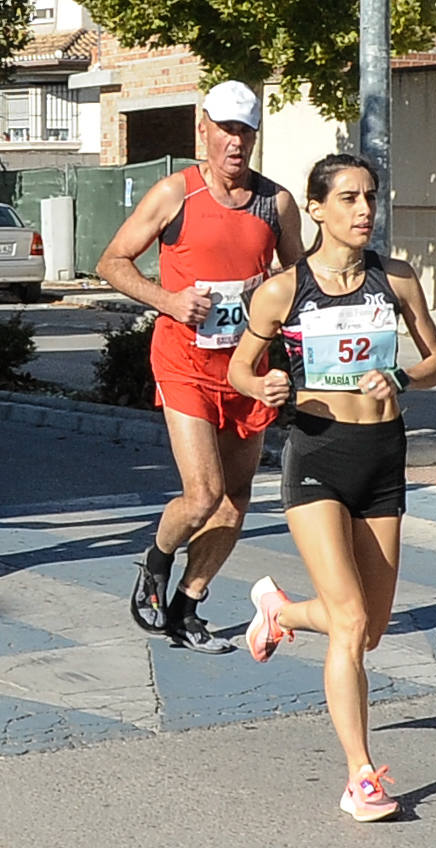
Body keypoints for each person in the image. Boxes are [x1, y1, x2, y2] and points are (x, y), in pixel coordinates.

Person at [228, 153, 436, 822]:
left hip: (383, 457)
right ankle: (361, 776)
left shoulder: (398, 280)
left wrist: (405, 380)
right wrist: (263, 385)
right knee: (349, 619)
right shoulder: (282, 291)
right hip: (317, 456)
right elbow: (241, 369)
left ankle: (283, 613)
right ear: (317, 208)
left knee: (369, 629)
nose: (363, 210)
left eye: (371, 197)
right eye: (349, 198)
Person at [97, 80, 304, 653]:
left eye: (246, 132)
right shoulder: (174, 194)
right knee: (203, 494)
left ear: (255, 137)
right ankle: (158, 558)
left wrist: (281, 308)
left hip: (246, 368)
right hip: (183, 361)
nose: (235, 143)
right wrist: (168, 299)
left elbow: (299, 282)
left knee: (236, 497)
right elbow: (111, 261)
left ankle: (189, 601)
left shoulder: (276, 203)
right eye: (226, 130)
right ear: (204, 131)